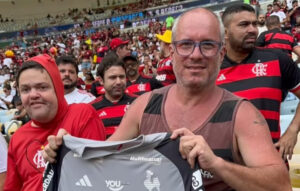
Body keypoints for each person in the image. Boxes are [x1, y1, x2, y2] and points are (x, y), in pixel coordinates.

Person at [44, 8, 291, 191]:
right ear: (172, 52)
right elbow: (106, 160)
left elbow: (280, 186)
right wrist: (66, 151)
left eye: (207, 45)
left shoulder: (242, 114)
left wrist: (216, 164)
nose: (196, 55)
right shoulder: (144, 106)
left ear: (220, 53)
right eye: (186, 45)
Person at [4, 54, 106, 191]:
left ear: (57, 88)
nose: (33, 94)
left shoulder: (82, 115)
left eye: (42, 87)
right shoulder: (18, 137)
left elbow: (99, 176)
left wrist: (69, 152)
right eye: (25, 89)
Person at [218, 3, 300, 162]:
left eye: (254, 24)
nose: (252, 29)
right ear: (225, 33)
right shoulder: (211, 68)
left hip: (270, 165)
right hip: (225, 169)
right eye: (244, 24)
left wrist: (292, 131)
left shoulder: (277, 59)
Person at [90, 54, 137, 138]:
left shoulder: (138, 103)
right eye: (113, 77)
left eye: (122, 77)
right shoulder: (92, 109)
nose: (119, 82)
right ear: (101, 80)